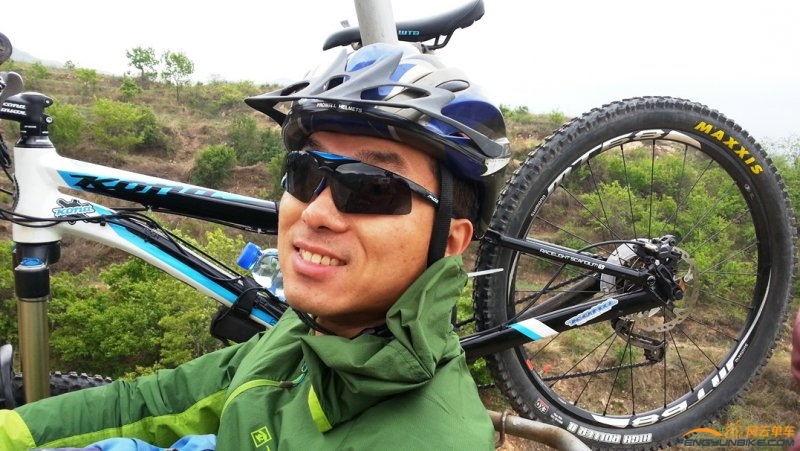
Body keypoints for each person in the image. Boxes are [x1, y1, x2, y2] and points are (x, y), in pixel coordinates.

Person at [0, 42, 510, 450]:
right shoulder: (307, 332)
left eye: (371, 187)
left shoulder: (428, 439)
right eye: (304, 172)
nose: (315, 212)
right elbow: (158, 402)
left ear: (450, 240)